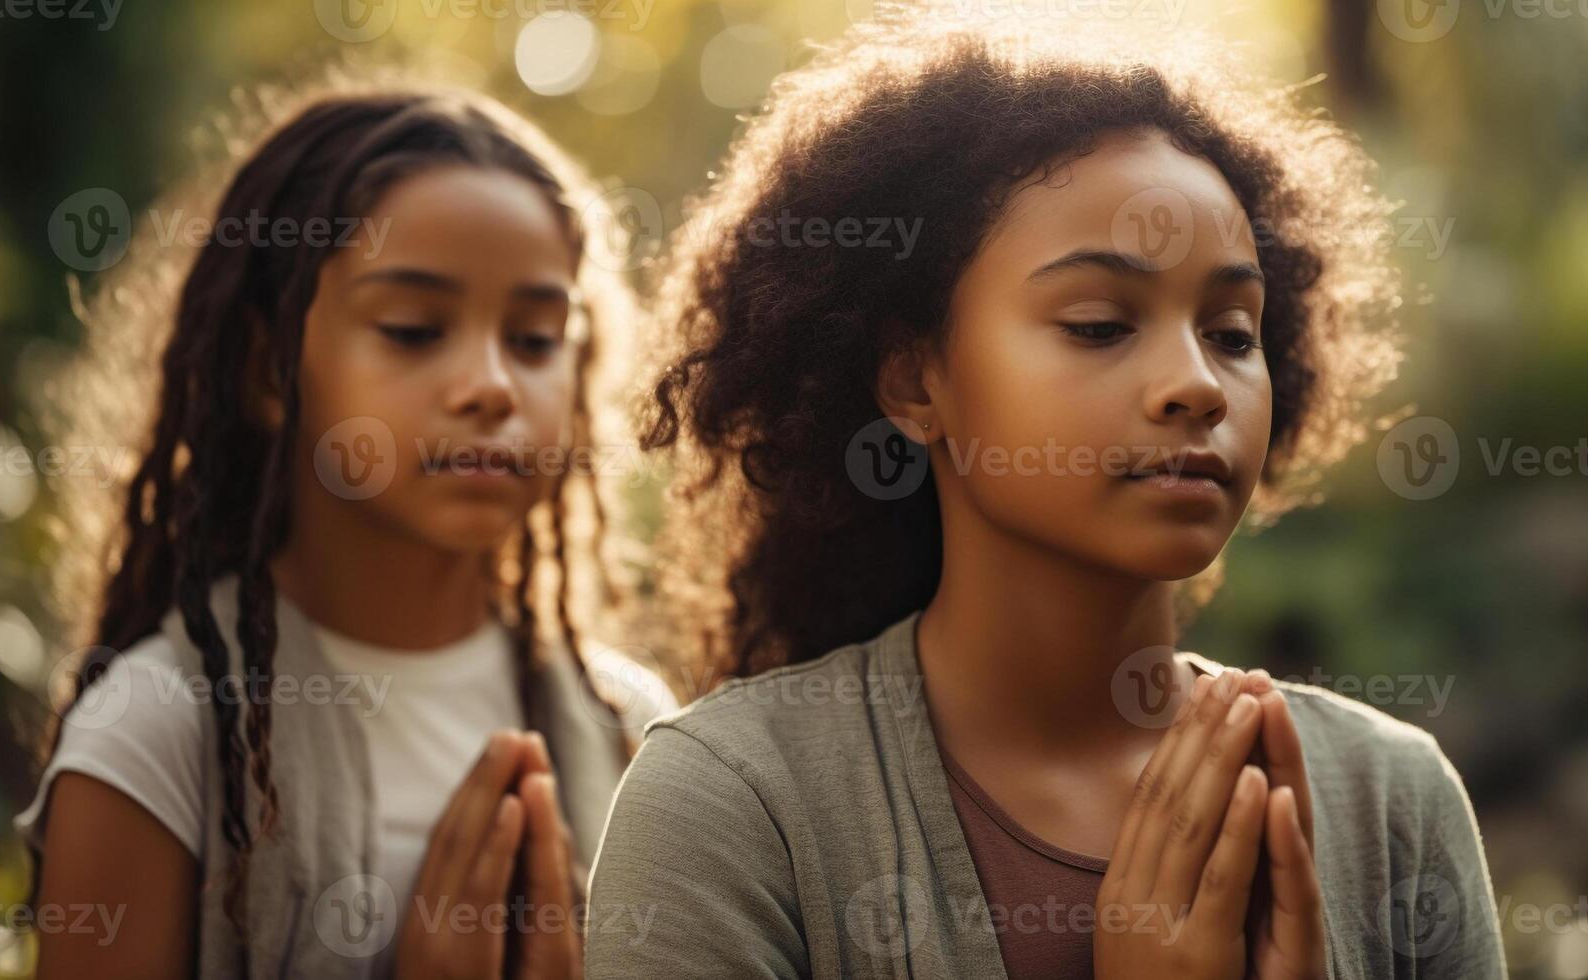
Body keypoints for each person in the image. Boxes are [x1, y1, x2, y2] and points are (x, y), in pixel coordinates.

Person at [586, 8, 1506, 979]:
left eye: (1231, 333)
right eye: (1100, 323)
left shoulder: (1391, 799)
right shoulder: (731, 807)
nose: (1196, 383)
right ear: (913, 381)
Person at [15, 73, 675, 979]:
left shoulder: (633, 732)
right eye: (412, 328)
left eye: (533, 338)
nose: (491, 385)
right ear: (265, 369)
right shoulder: (158, 734)